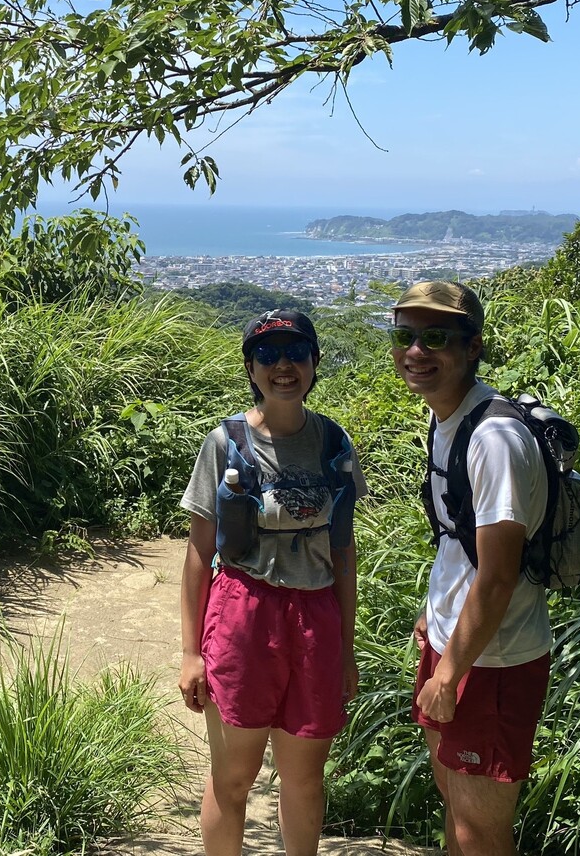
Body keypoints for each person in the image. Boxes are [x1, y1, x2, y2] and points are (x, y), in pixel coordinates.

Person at [178, 309, 363, 856]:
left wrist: (346, 649)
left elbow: (343, 552)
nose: (284, 365)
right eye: (267, 354)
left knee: (304, 778)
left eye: (296, 352)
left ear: (315, 362)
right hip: (243, 611)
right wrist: (191, 652)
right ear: (250, 369)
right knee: (233, 776)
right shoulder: (225, 442)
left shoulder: (334, 443)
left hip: (316, 614)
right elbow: (198, 552)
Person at [389, 281, 551, 856]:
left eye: (435, 338)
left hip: (492, 659)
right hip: (454, 642)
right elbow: (459, 542)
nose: (416, 351)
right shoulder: (449, 418)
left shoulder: (494, 439)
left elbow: (499, 576)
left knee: (477, 830)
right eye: (405, 337)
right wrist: (432, 615)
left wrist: (449, 674)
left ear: (473, 346)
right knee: (454, 806)